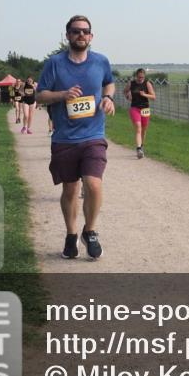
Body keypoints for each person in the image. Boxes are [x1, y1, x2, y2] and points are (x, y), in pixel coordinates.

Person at [35, 15, 115, 261]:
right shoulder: (55, 64)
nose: (81, 35)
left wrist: (108, 98)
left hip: (93, 135)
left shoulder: (101, 61)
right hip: (64, 139)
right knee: (70, 190)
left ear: (91, 36)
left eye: (85, 31)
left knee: (93, 184)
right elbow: (39, 96)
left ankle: (89, 231)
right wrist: (63, 95)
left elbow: (109, 84)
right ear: (68, 35)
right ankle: (71, 235)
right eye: (76, 31)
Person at [123, 68, 156, 159]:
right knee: (138, 127)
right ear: (136, 76)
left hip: (145, 109)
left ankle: (141, 146)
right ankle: (138, 149)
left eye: (142, 77)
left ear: (144, 76)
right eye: (139, 77)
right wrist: (127, 96)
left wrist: (145, 95)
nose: (140, 79)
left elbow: (153, 97)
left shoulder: (147, 84)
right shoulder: (131, 83)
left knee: (144, 130)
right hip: (135, 108)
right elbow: (125, 91)